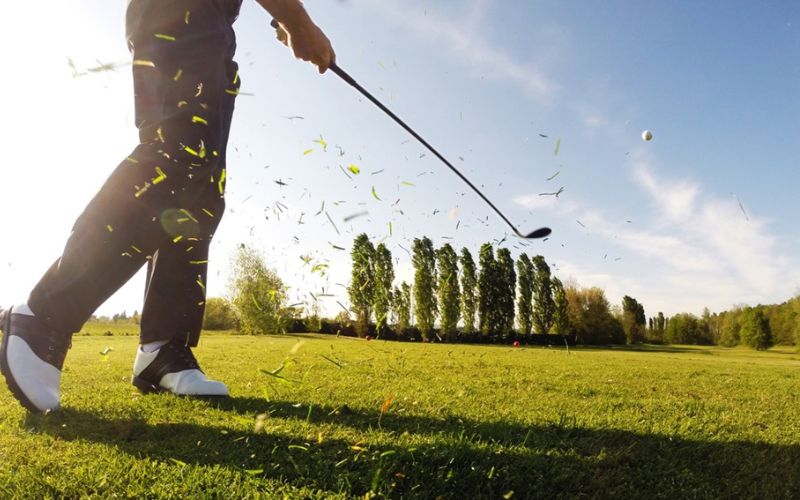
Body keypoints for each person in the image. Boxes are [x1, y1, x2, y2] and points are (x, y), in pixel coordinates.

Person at [0, 0, 335, 413]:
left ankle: (163, 348)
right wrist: (297, 21)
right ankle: (45, 315)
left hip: (213, 23)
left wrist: (284, 18)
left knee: (202, 192)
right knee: (179, 157)